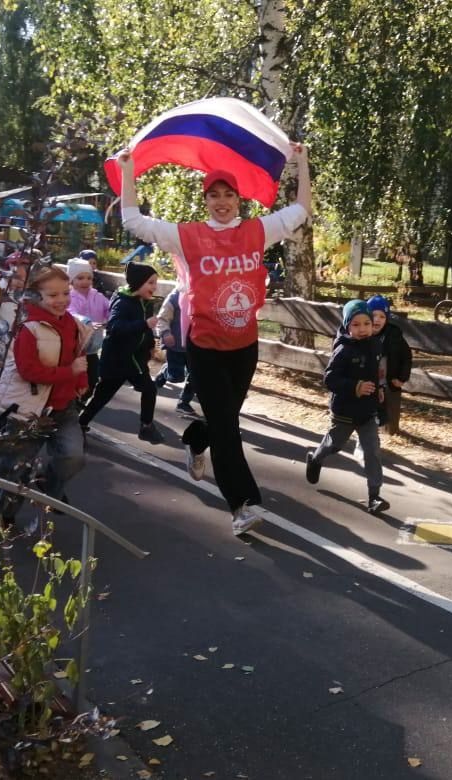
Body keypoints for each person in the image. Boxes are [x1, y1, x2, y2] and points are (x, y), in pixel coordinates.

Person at [116, 144, 311, 536]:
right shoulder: (186, 236)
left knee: (224, 420)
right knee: (227, 428)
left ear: (239, 199)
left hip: (244, 347)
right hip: (204, 346)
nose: (221, 202)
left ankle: (194, 440)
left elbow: (302, 208)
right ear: (205, 200)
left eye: (228, 195)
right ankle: (241, 505)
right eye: (214, 195)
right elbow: (132, 218)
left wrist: (302, 162)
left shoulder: (258, 230)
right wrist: (128, 168)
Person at [0, 267, 91, 525]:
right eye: (52, 295)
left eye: (66, 293)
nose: (61, 300)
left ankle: (49, 483)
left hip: (63, 406)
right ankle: (5, 514)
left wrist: (80, 379)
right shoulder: (28, 327)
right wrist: (70, 372)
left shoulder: (71, 323)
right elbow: (28, 371)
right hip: (29, 409)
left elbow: (77, 356)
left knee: (73, 456)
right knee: (17, 468)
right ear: (37, 297)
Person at [305, 300, 390, 514]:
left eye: (366, 323)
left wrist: (379, 388)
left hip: (367, 411)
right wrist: (356, 387)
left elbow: (376, 372)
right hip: (344, 410)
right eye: (356, 325)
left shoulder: (375, 345)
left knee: (372, 451)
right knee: (334, 445)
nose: (362, 329)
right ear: (346, 326)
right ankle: (315, 459)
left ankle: (374, 497)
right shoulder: (343, 350)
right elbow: (329, 380)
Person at [78, 262, 164, 444]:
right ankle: (80, 424)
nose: (154, 287)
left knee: (149, 389)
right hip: (117, 361)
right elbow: (115, 327)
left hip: (135, 361)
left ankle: (146, 427)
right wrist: (144, 324)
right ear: (138, 283)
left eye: (155, 282)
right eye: (150, 282)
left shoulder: (144, 302)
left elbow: (145, 330)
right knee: (101, 397)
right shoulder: (123, 302)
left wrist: (150, 345)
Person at [66, 256, 110, 401]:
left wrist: (114, 317)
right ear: (71, 280)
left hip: (93, 347)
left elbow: (109, 308)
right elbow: (71, 312)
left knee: (92, 379)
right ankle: (72, 403)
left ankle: (80, 403)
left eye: (88, 278)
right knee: (76, 378)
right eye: (80, 278)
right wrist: (86, 321)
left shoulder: (97, 296)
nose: (85, 281)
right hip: (76, 348)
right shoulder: (70, 297)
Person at [366, 294, 412, 429]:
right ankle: (367, 440)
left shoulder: (393, 335)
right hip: (366, 383)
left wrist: (401, 377)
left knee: (382, 416)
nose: (377, 320)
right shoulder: (362, 333)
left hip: (386, 383)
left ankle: (372, 439)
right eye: (374, 315)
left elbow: (406, 357)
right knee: (366, 417)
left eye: (382, 316)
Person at [154, 284, 198, 417]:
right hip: (176, 345)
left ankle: (183, 402)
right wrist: (166, 333)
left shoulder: (203, 294)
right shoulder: (175, 296)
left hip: (196, 346)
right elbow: (163, 317)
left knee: (195, 376)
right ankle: (163, 374)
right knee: (176, 377)